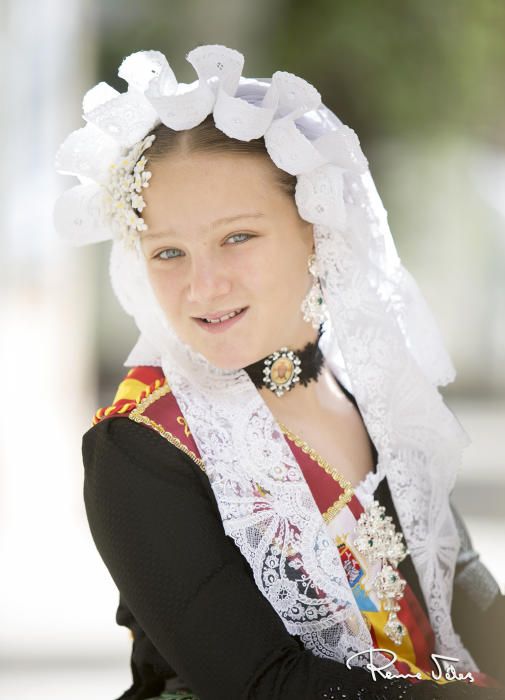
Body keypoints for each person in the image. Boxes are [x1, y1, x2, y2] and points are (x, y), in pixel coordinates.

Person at [54, 45, 505, 700]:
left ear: (318, 230)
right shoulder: (141, 450)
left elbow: (467, 597)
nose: (201, 286)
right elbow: (263, 685)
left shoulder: (368, 397)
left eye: (237, 237)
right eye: (169, 252)